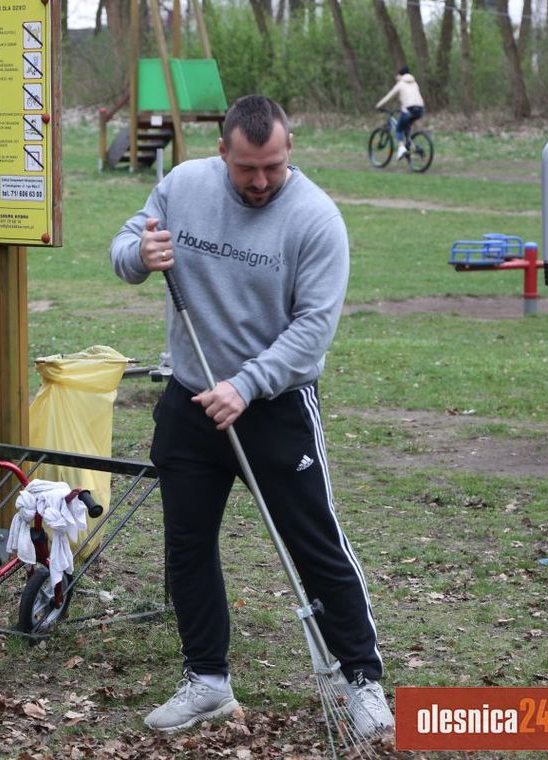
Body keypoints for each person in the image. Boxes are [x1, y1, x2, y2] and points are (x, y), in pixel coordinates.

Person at [110, 95, 394, 737]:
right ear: (223, 154)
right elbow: (128, 243)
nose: (260, 181)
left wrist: (247, 384)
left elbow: (313, 331)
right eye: (247, 169)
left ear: (289, 150)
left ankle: (362, 680)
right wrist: (140, 256)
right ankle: (206, 681)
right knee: (186, 545)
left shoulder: (316, 219)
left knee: (313, 543)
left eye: (271, 167)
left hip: (274, 408)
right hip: (189, 401)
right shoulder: (183, 185)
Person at [376, 65, 425, 160]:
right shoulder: (414, 83)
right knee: (406, 128)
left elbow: (389, 96)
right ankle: (414, 147)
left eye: (397, 75)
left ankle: (401, 148)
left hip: (409, 109)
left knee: (398, 129)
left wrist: (378, 105)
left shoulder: (401, 84)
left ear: (400, 75)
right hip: (420, 109)